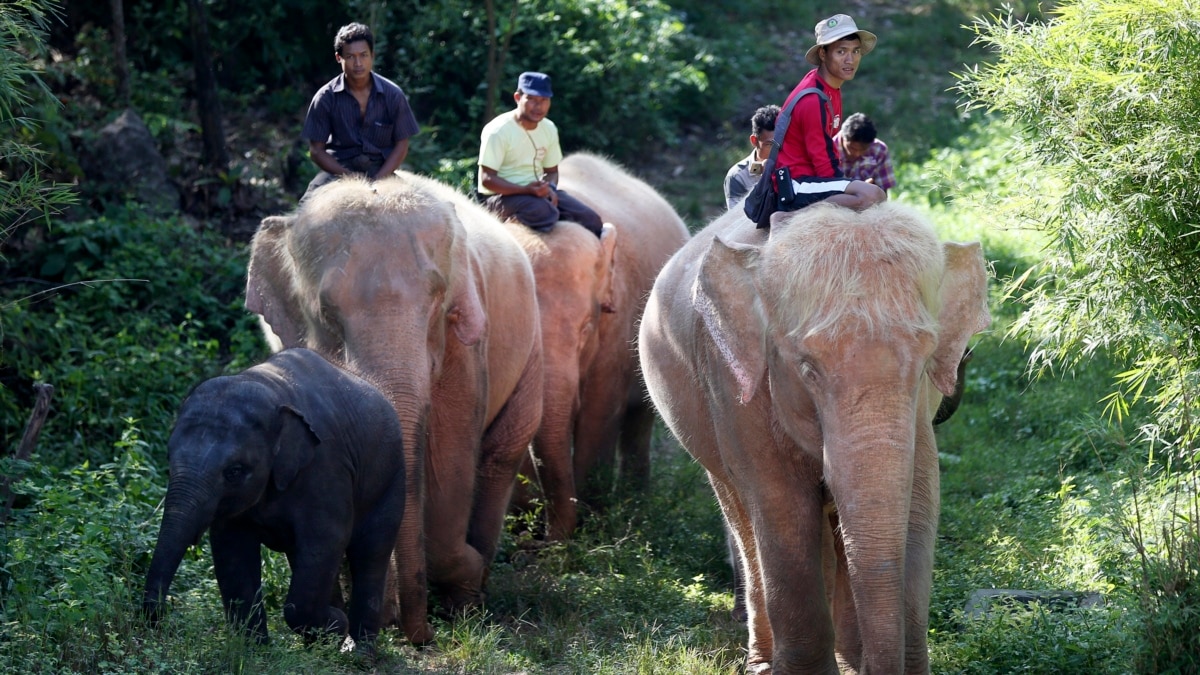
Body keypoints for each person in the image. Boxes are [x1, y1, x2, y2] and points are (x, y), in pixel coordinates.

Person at [774, 14, 886, 212]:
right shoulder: (812, 99)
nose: (850, 60)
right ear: (823, 54)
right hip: (796, 183)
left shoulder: (829, 87)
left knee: (869, 191)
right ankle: (789, 217)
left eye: (856, 51)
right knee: (873, 195)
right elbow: (822, 160)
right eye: (841, 51)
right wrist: (847, 189)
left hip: (812, 179)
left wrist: (847, 185)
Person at [300, 22, 419, 200]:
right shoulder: (326, 97)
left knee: (417, 210)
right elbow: (316, 151)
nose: (358, 63)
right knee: (305, 210)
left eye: (363, 55)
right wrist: (348, 177)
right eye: (350, 56)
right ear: (338, 58)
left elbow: (402, 144)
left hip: (381, 169)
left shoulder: (393, 95)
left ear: (372, 55)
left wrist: (379, 179)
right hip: (339, 170)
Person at [477, 71, 604, 237]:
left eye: (544, 100)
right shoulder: (498, 130)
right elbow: (487, 180)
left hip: (536, 194)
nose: (539, 106)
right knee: (543, 212)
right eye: (532, 99)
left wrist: (549, 188)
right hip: (500, 198)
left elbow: (551, 171)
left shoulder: (549, 128)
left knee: (590, 220)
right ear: (517, 98)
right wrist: (525, 190)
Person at [724, 105, 780, 210]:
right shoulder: (738, 176)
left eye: (782, 143)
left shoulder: (793, 165)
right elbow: (735, 220)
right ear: (754, 141)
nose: (778, 151)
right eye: (770, 145)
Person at [835, 112, 896, 192]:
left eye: (863, 149)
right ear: (843, 138)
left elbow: (883, 191)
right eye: (852, 148)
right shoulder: (827, 151)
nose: (857, 154)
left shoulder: (879, 151)